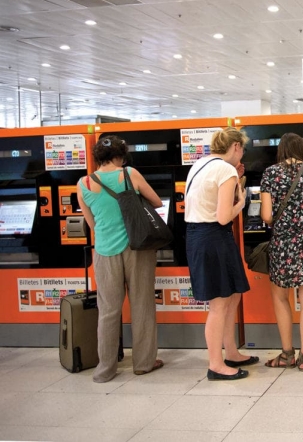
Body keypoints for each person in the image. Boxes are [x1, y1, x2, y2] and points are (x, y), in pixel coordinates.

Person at [77, 135, 164, 383]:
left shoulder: (83, 183)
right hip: (136, 248)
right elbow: (157, 201)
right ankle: (144, 363)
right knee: (142, 306)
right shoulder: (129, 174)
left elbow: (91, 223)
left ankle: (105, 369)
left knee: (108, 311)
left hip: (104, 252)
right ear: (121, 155)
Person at [185, 127, 257, 380]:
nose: (242, 154)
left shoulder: (200, 164)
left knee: (232, 295)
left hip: (200, 236)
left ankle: (232, 352)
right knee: (218, 303)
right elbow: (224, 215)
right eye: (243, 149)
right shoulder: (225, 169)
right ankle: (216, 364)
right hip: (213, 236)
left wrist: (235, 181)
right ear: (236, 146)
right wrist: (243, 201)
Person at [260, 133, 303, 371]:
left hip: (283, 244)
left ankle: (287, 353)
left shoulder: (270, 174)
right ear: (300, 149)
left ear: (281, 150)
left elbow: (267, 216)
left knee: (281, 298)